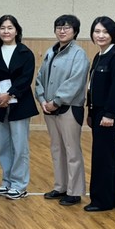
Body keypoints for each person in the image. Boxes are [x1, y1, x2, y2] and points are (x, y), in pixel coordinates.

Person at [35, 14, 90, 207]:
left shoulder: (79, 54)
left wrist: (57, 101)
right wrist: (42, 99)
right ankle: (60, 187)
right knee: (57, 148)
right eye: (59, 27)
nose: (62, 30)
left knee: (72, 150)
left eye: (67, 27)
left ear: (75, 31)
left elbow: (76, 81)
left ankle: (74, 191)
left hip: (69, 108)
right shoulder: (50, 52)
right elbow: (40, 78)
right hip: (49, 109)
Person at [0, 15, 39, 200]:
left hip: (20, 104)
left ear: (16, 31)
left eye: (10, 27)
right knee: (3, 146)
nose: (6, 31)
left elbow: (26, 78)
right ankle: (7, 181)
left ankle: (19, 184)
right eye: (2, 28)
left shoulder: (25, 52)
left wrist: (10, 94)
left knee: (20, 146)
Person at [85, 16, 115, 212]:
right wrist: (90, 111)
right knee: (110, 153)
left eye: (105, 32)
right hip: (98, 112)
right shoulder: (99, 55)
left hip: (110, 113)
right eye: (97, 31)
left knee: (102, 156)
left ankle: (101, 201)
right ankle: (114, 199)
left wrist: (109, 114)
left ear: (113, 34)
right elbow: (92, 87)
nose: (101, 35)